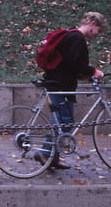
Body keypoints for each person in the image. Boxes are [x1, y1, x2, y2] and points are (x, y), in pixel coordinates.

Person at [37, 11, 107, 170]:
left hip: (63, 84)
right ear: (92, 24)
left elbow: (70, 65)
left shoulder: (73, 36)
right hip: (59, 84)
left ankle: (53, 157)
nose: (97, 34)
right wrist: (93, 71)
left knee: (65, 121)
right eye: (98, 30)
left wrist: (86, 74)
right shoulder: (76, 38)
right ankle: (45, 152)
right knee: (63, 120)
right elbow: (74, 64)